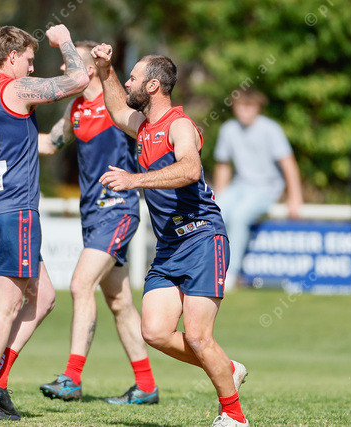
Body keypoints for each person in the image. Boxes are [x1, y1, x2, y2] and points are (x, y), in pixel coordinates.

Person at [91, 44, 249, 426]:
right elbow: (117, 110)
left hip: (202, 237)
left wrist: (134, 180)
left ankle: (234, 416)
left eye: (133, 78)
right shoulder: (144, 126)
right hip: (170, 246)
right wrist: (105, 68)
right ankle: (227, 367)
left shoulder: (179, 126)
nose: (128, 83)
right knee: (155, 331)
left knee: (197, 336)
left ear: (153, 86)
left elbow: (190, 170)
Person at [0, 25, 88, 421]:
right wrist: (65, 41)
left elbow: (33, 143)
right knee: (6, 306)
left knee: (43, 296)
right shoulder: (14, 89)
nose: (32, 68)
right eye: (29, 60)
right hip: (14, 210)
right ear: (11, 57)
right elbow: (79, 79)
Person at [37, 41, 158, 404]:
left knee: (80, 284)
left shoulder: (116, 105)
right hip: (91, 215)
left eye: (69, 62)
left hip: (117, 210)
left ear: (89, 69)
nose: (63, 69)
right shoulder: (76, 107)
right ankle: (146, 386)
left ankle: (72, 378)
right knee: (119, 301)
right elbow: (49, 144)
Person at [213, 88, 303, 291]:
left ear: (258, 107)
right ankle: (211, 268)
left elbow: (288, 163)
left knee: (240, 216)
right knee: (216, 212)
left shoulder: (271, 129)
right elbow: (223, 165)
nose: (245, 111)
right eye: (241, 106)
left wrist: (295, 197)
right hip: (239, 186)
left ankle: (230, 273)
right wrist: (219, 194)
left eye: (250, 106)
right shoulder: (228, 129)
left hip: (267, 188)